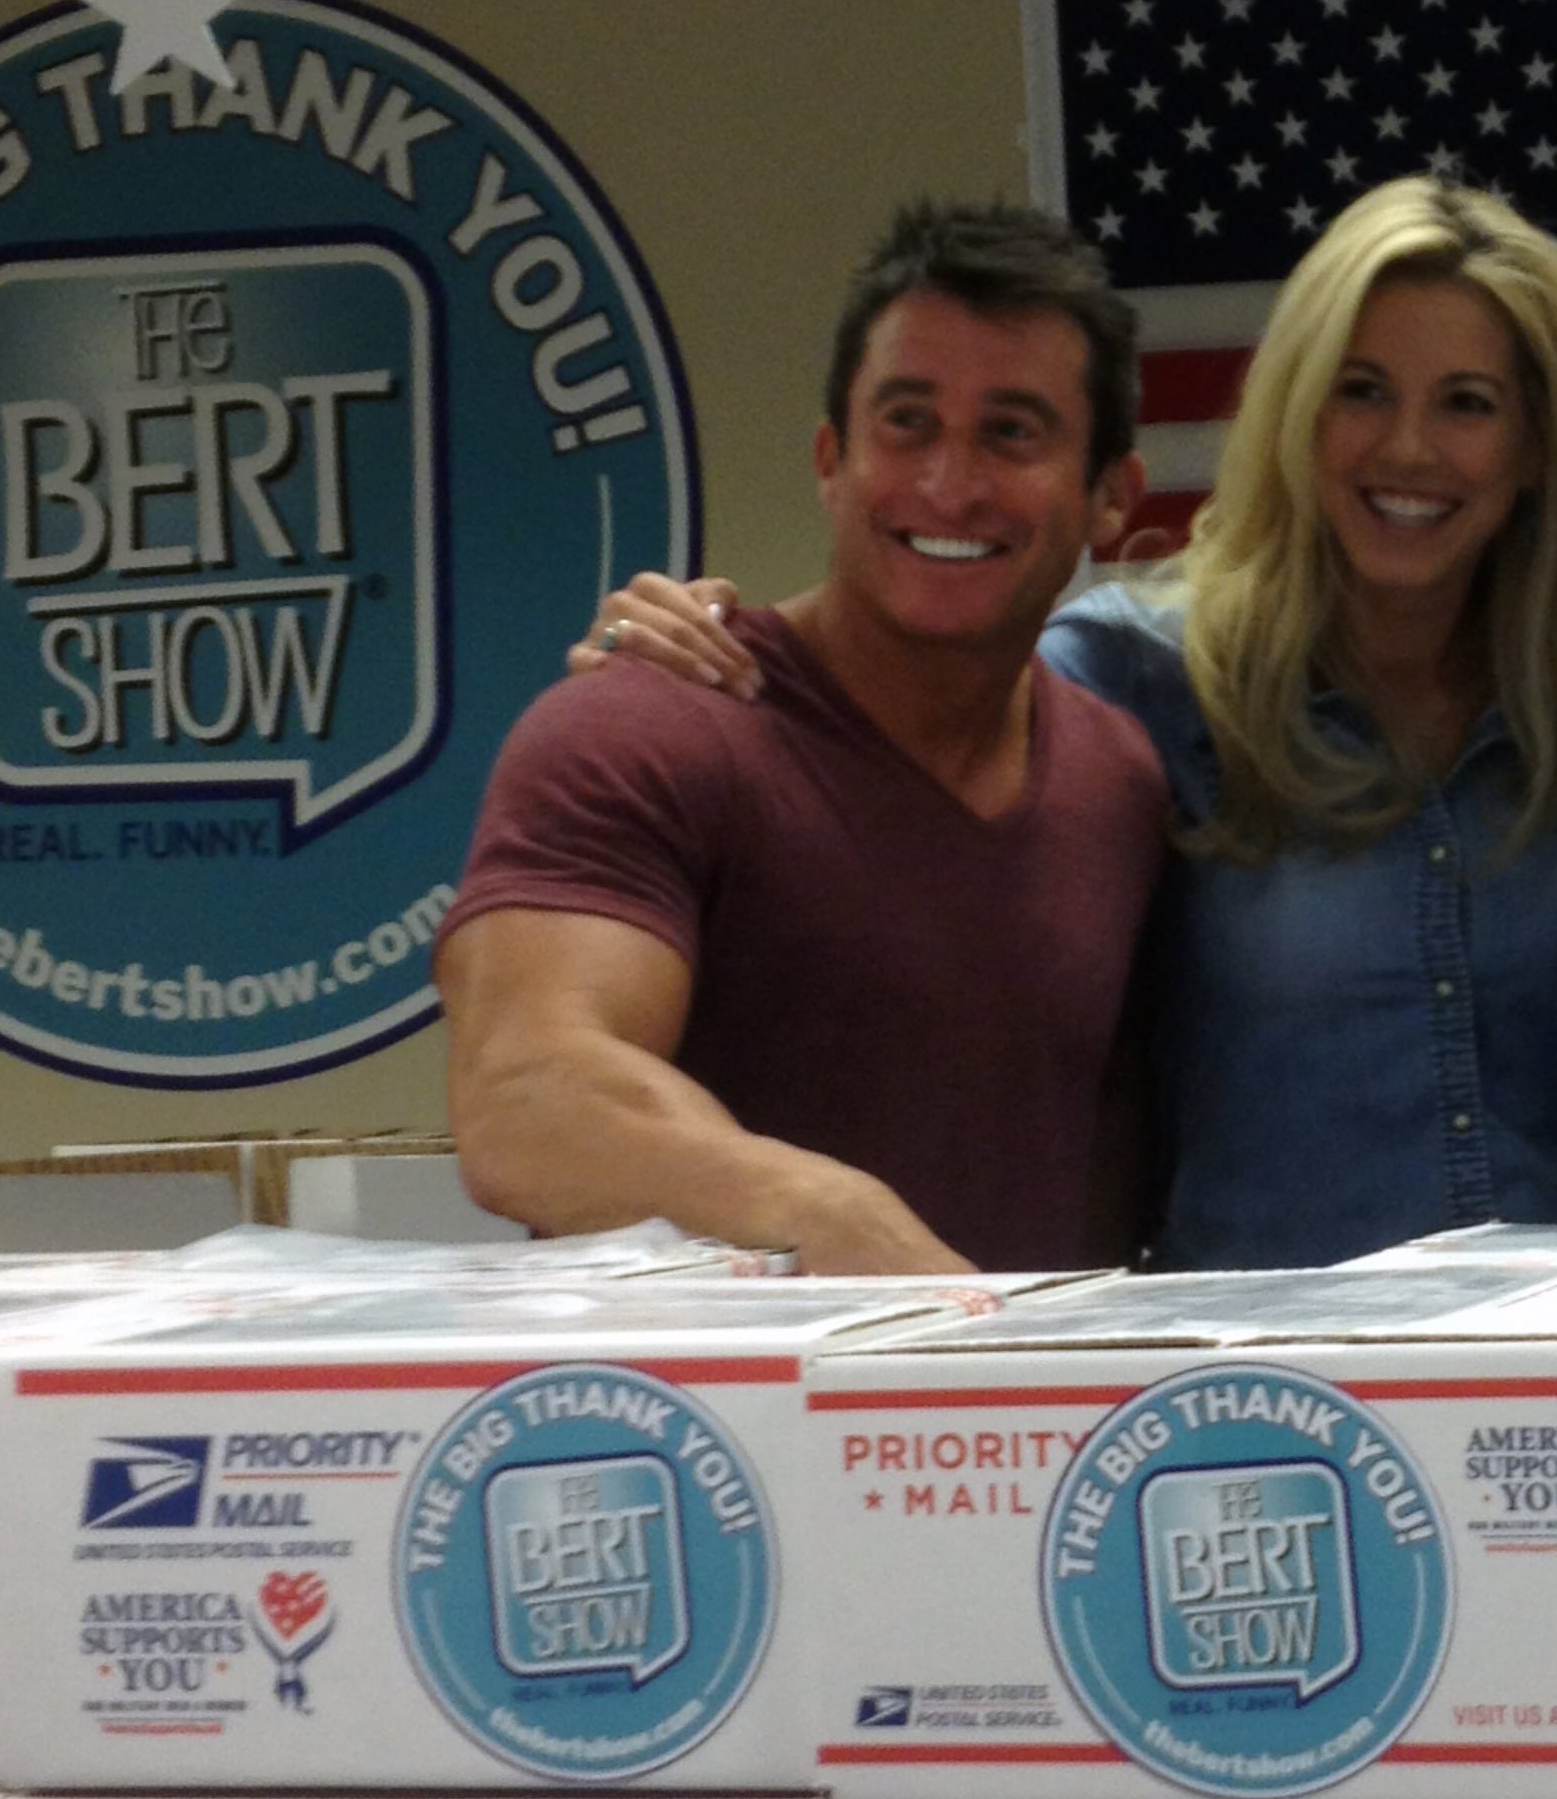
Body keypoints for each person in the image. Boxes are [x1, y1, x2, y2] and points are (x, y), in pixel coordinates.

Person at [583, 178, 1557, 1266]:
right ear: (1296, 412)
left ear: (1533, 448)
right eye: (1360, 390)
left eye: (1467, 403)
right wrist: (678, 654)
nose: (1407, 448)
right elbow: (893, 708)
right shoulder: (1135, 673)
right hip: (1261, 1381)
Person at [433, 201, 1173, 1273]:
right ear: (830, 458)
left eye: (1012, 431)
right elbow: (530, 1093)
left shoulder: (1120, 782)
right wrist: (831, 1219)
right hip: (697, 1438)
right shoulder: (640, 728)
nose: (947, 483)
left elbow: (1103, 1155)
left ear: (1111, 497)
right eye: (906, 421)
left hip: (1027, 1429)